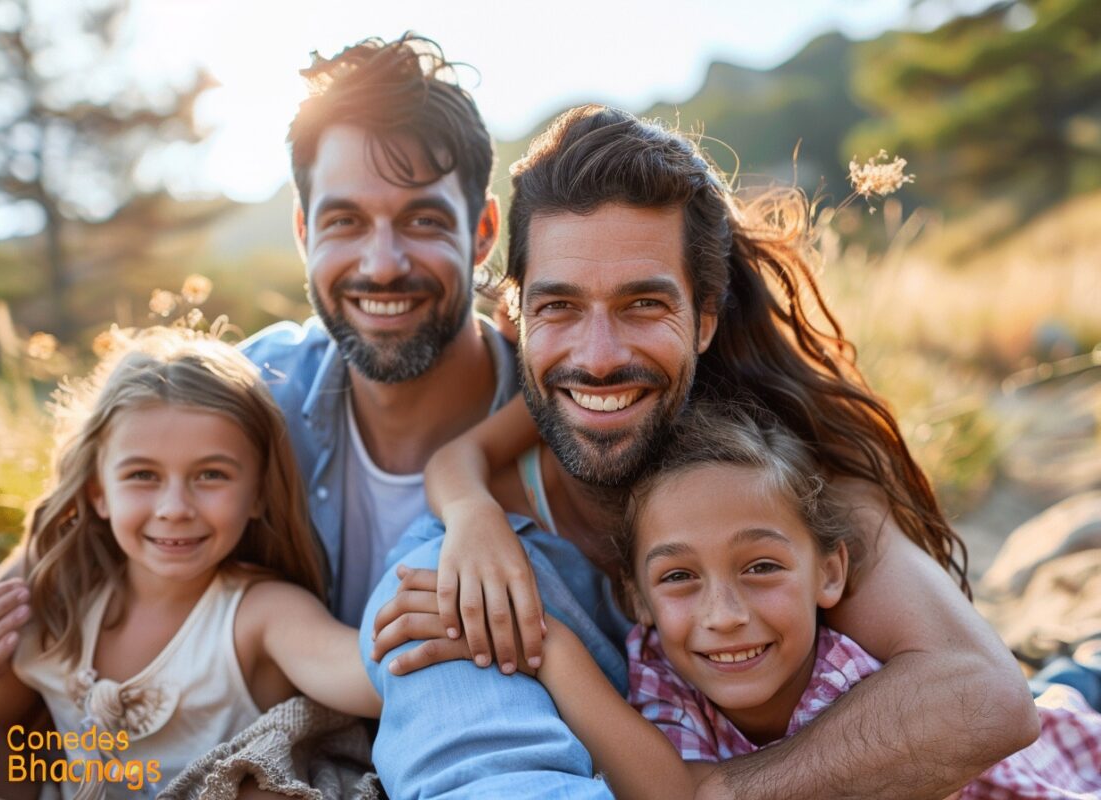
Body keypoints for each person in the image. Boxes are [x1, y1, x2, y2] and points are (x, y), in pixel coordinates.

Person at [365, 104, 1039, 799]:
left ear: (705, 318)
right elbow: (458, 462)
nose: (598, 359)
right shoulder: (466, 548)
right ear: (517, 319)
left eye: (643, 305)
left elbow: (986, 695)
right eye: (559, 307)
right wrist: (472, 516)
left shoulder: (776, 473)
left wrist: (722, 792)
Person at [0, 32, 520, 710]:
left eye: (422, 219)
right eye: (344, 221)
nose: (381, 264)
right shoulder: (246, 393)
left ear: (483, 229)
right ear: (303, 231)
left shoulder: (559, 416)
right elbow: (42, 581)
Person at [0, 328, 455, 798]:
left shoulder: (258, 613)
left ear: (258, 494)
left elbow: (361, 676)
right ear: (98, 493)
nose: (174, 509)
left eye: (211, 475)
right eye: (143, 476)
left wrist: (421, 625)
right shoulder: (63, 601)